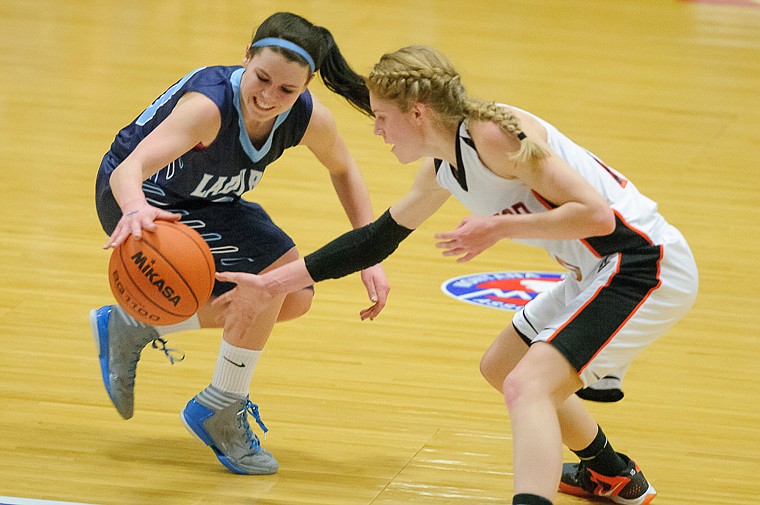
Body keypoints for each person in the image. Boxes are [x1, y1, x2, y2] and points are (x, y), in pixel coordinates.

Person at [211, 46, 698, 504]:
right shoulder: (446, 164)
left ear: (417, 112)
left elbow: (598, 217)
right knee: (502, 367)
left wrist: (501, 226)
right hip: (596, 270)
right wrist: (271, 284)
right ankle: (610, 472)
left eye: (383, 119)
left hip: (642, 265)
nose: (379, 131)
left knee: (527, 386)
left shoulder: (493, 135)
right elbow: (377, 239)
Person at [90, 12, 389, 475]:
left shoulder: (308, 117)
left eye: (287, 90)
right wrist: (134, 210)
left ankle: (136, 326)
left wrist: (370, 250)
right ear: (245, 58)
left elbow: (344, 169)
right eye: (262, 78)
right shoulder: (207, 109)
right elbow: (129, 168)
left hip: (208, 201)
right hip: (139, 197)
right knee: (271, 277)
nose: (269, 97)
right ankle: (222, 405)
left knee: (294, 298)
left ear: (306, 87)